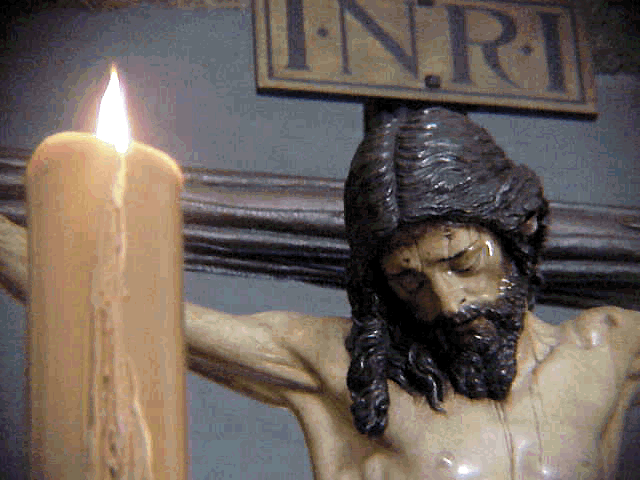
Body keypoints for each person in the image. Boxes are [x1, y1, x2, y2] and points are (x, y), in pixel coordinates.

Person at [185, 106, 640, 479]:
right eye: (410, 281)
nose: (448, 303)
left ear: (519, 230)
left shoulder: (604, 348)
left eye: (463, 262)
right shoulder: (341, 365)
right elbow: (160, 319)